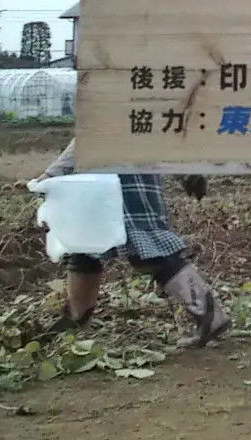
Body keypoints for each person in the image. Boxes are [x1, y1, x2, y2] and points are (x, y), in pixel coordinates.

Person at [34, 140, 231, 347]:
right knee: (83, 247)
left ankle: (210, 314)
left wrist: (51, 174)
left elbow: (90, 138)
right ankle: (76, 316)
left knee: (148, 252)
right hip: (111, 181)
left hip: (117, 183)